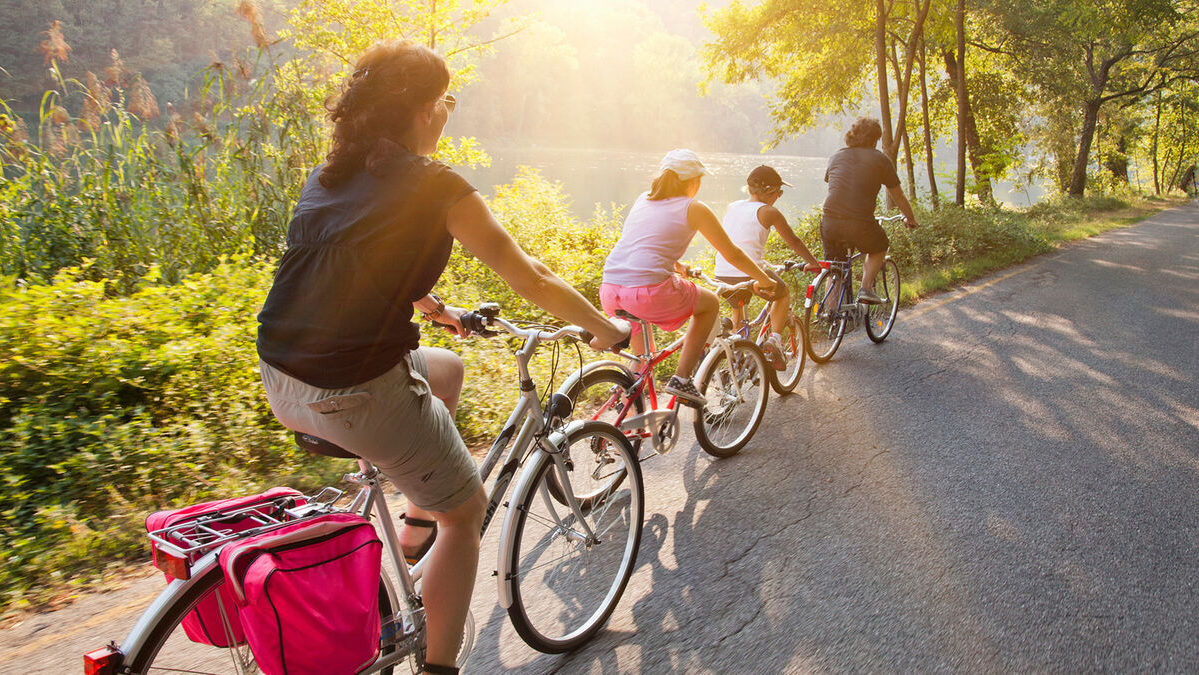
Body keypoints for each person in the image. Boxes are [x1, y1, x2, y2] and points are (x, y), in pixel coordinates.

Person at [255, 41, 629, 675]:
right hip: (357, 390)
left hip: (282, 376)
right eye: (448, 102)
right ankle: (439, 664)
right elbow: (531, 278)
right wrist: (603, 327)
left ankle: (413, 523)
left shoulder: (332, 175)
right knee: (469, 511)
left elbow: (348, 258)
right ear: (426, 111)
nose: (449, 112)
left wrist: (433, 307)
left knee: (446, 369)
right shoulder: (437, 186)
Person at [600, 149, 778, 407]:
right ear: (693, 181)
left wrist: (678, 265)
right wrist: (763, 278)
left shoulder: (644, 199)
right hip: (648, 292)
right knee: (709, 305)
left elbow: (645, 242)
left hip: (610, 289)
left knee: (641, 366)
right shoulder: (694, 208)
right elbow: (732, 253)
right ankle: (682, 380)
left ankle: (628, 420)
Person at [713, 165, 822, 369]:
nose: (779, 197)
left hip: (722, 272)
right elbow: (794, 242)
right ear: (770, 191)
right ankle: (775, 340)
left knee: (739, 309)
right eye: (779, 192)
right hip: (748, 273)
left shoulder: (733, 206)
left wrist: (765, 264)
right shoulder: (769, 212)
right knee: (782, 293)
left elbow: (741, 240)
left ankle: (737, 357)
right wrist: (813, 263)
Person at [820, 116, 918, 304]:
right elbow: (898, 196)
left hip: (829, 221)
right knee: (880, 246)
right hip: (859, 222)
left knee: (835, 267)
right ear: (875, 139)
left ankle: (831, 315)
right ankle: (866, 288)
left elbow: (834, 184)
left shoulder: (836, 156)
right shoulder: (880, 160)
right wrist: (910, 218)